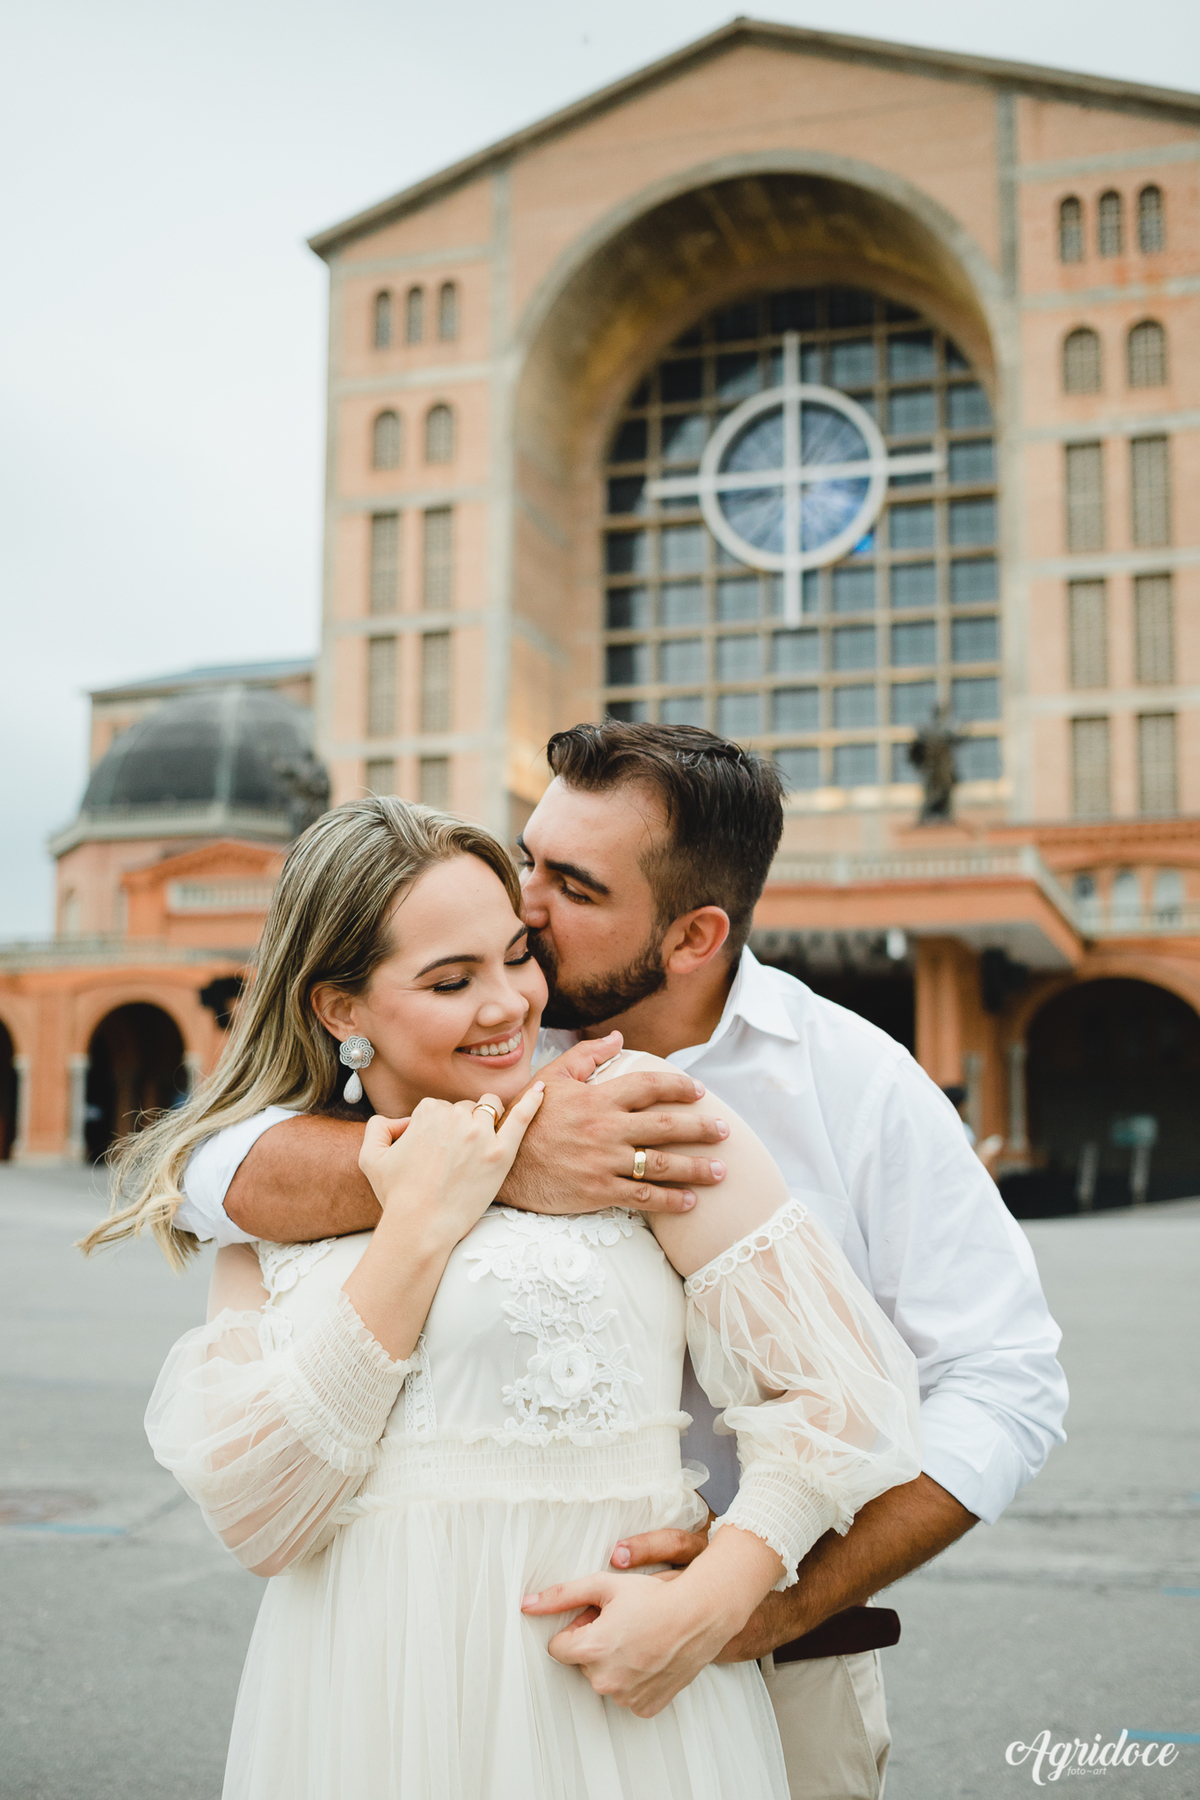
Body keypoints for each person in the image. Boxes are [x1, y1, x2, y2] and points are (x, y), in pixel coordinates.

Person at [177, 723, 1068, 1800]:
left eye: (574, 888)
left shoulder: (854, 1083)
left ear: (693, 936)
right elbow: (209, 1172)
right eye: (528, 859)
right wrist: (501, 1159)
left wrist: (751, 1603)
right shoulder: (498, 1038)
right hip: (393, 1662)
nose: (525, 911)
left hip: (773, 1644)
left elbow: (999, 1385)